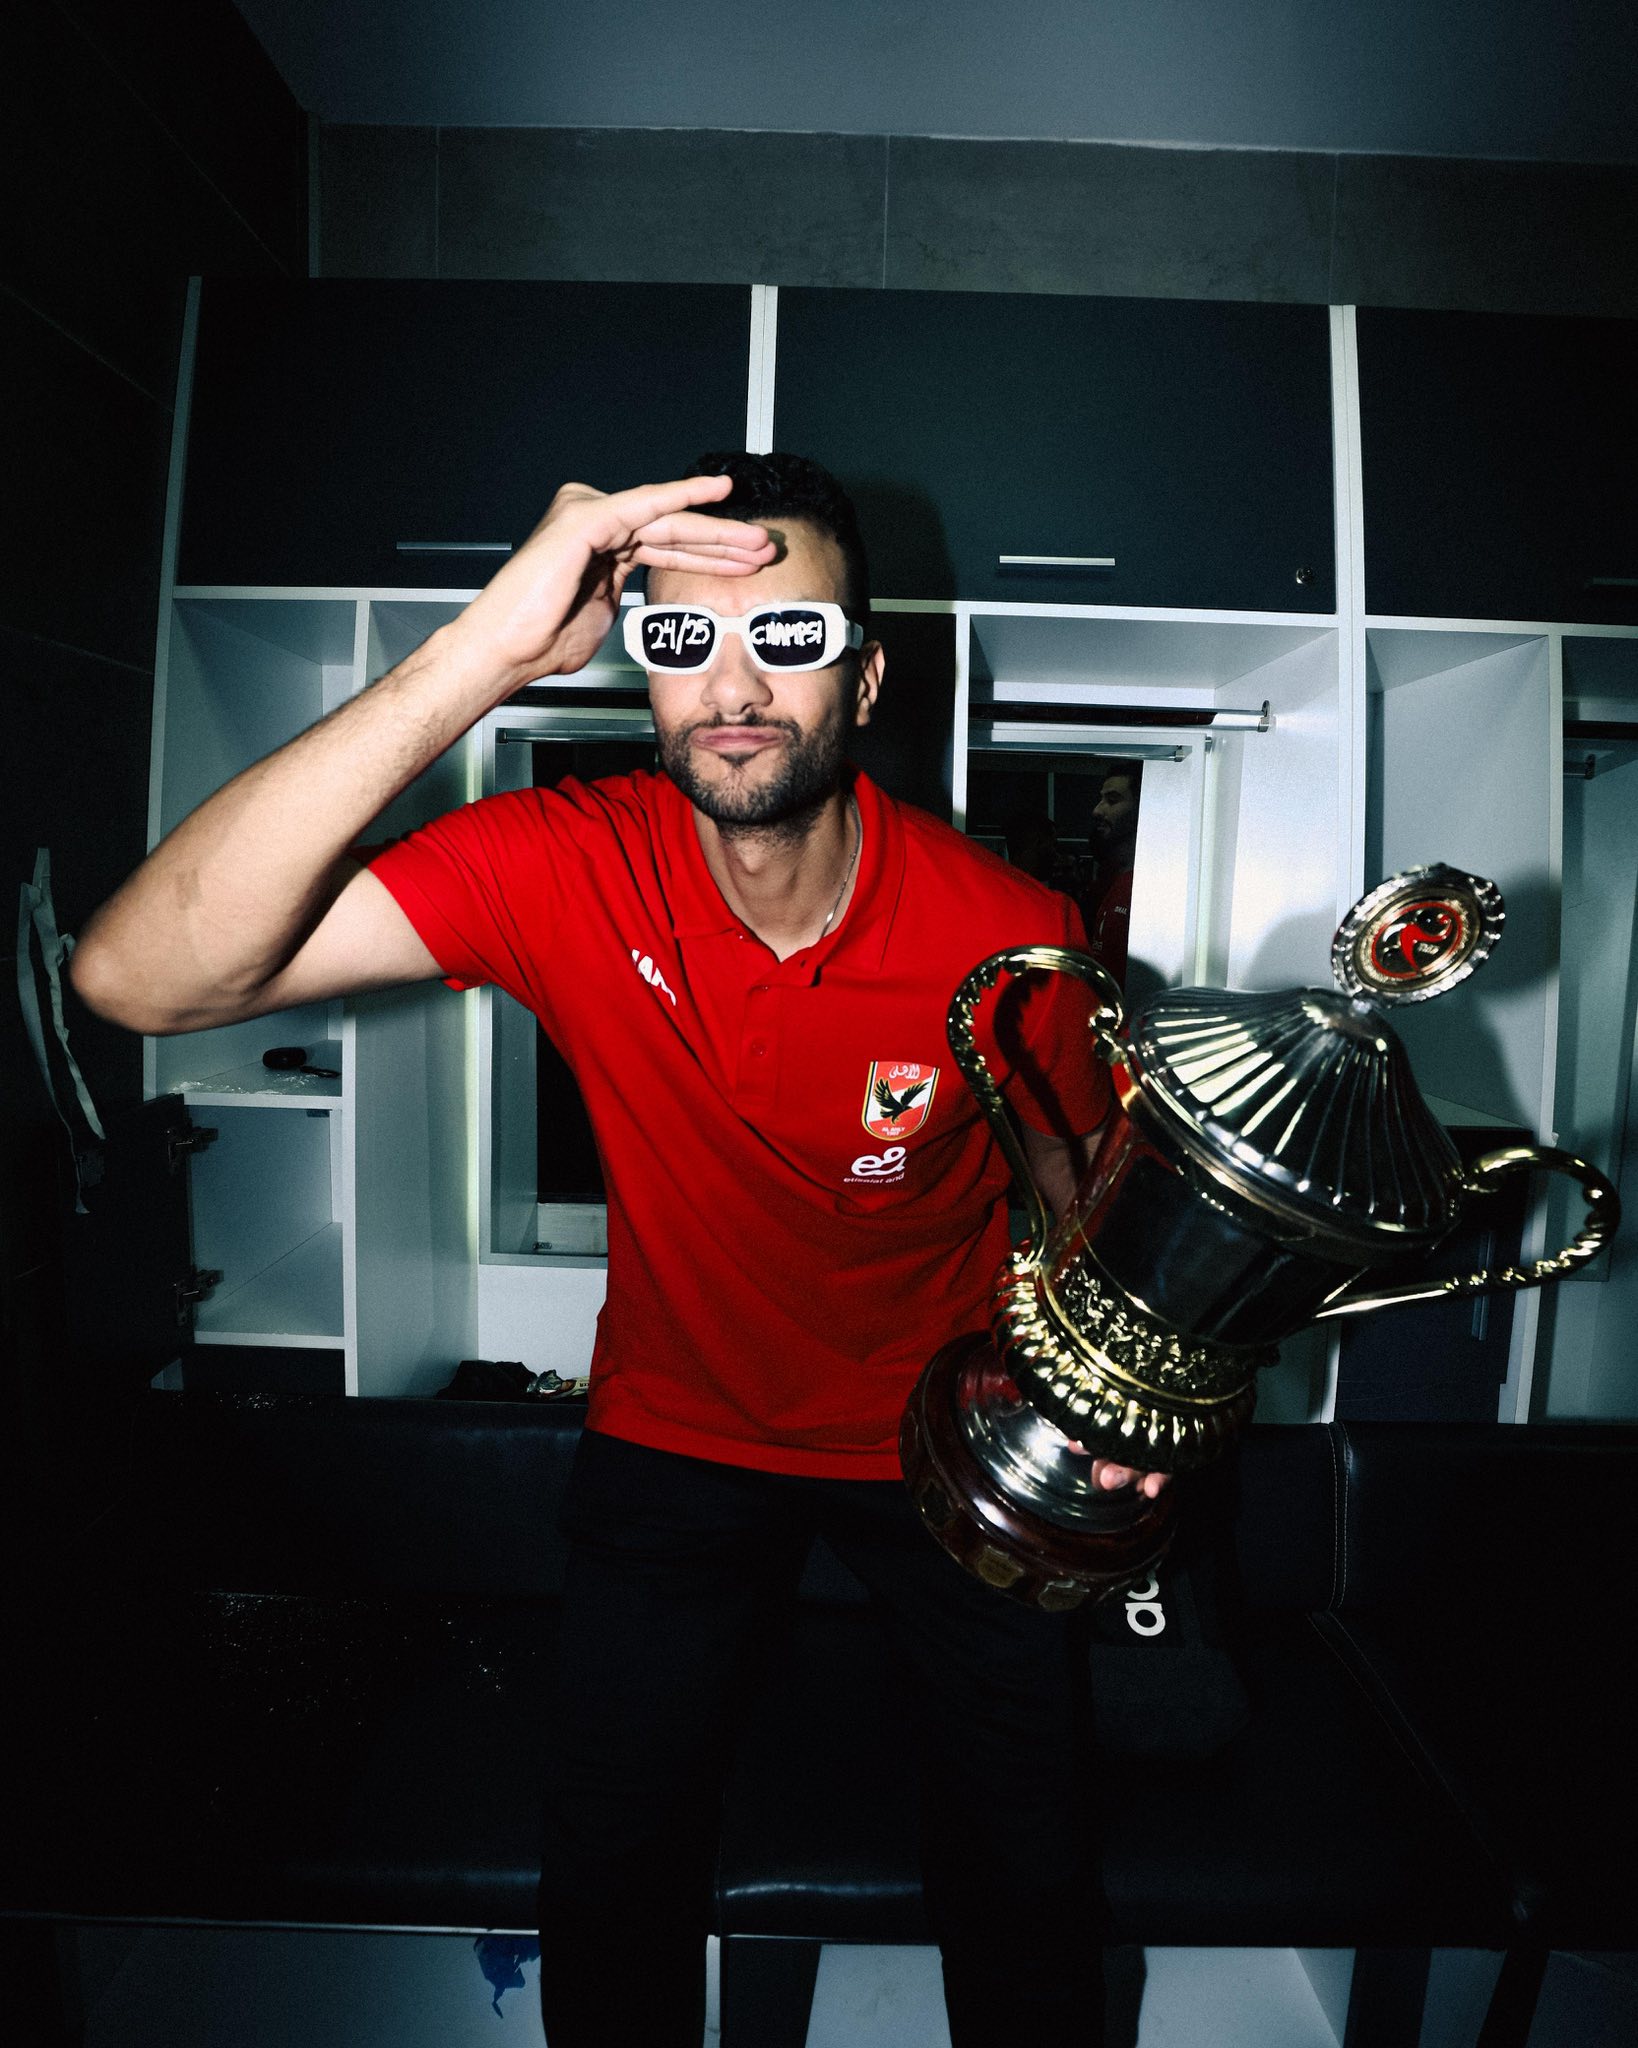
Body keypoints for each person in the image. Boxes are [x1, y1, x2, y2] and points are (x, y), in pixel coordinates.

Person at [71, 453, 1166, 2048]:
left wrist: (1104, 1383)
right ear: (634, 665)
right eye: (680, 638)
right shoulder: (559, 864)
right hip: (678, 1431)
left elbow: (1068, 1176)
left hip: (941, 1431)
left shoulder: (1008, 932)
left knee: (1025, 1855)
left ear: (864, 677)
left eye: (787, 637)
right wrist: (484, 653)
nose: (733, 686)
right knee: (610, 1858)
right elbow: (138, 979)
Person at [1087, 765, 1141, 986]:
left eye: (1112, 800)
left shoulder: (1147, 886)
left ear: (1140, 807)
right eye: (1102, 799)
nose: (1097, 811)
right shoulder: (1113, 881)